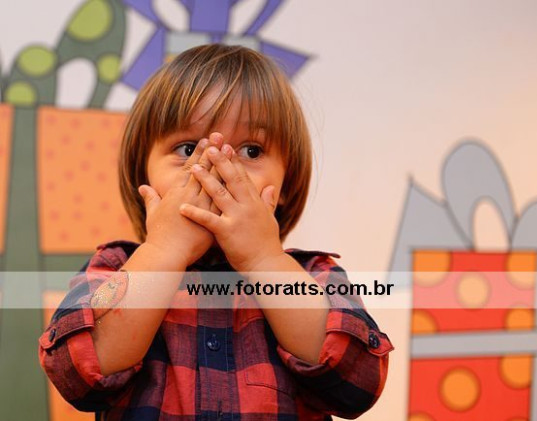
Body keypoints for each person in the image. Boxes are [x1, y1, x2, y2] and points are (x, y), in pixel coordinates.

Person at [39, 44, 393, 420]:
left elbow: (358, 381)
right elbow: (76, 373)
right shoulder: (114, 267)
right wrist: (164, 251)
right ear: (144, 174)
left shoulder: (314, 276)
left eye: (251, 151)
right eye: (188, 148)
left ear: (286, 183)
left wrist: (263, 259)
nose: (217, 168)